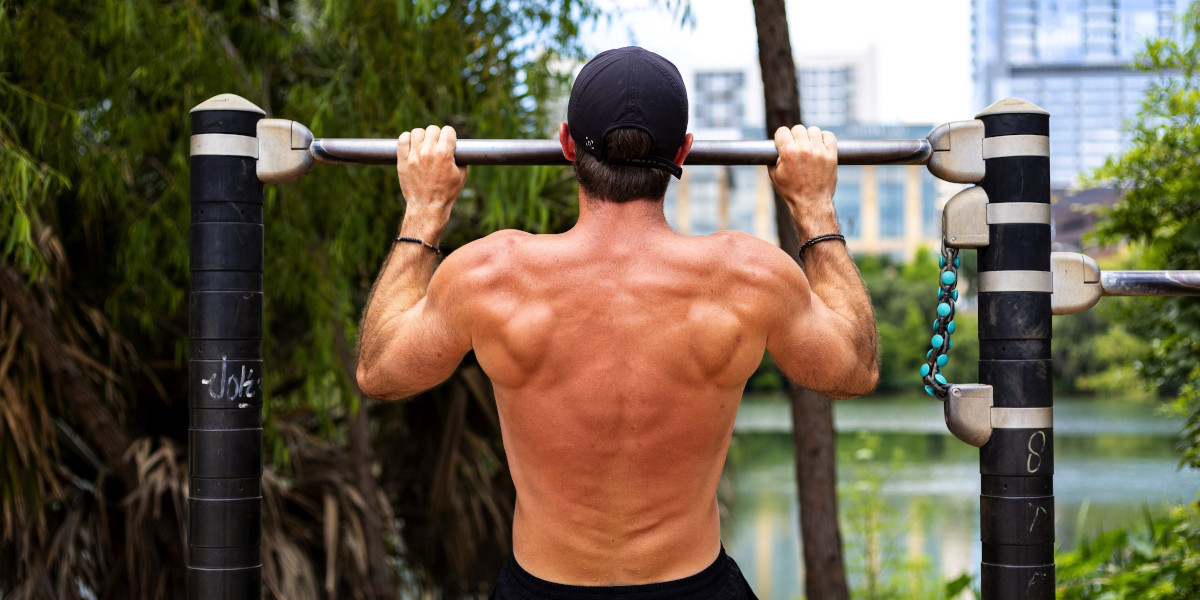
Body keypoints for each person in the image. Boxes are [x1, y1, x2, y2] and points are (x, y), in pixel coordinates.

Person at [356, 46, 879, 599]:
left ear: (565, 145)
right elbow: (855, 368)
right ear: (682, 152)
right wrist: (814, 206)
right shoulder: (747, 277)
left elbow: (380, 371)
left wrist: (424, 210)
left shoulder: (492, 275)